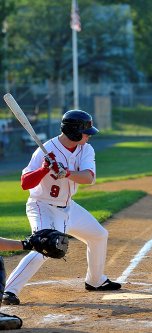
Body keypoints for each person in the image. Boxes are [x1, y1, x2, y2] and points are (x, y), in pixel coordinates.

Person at [2, 110, 121, 306]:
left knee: (98, 235)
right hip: (43, 206)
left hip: (69, 207)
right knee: (44, 246)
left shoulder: (86, 149)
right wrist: (44, 170)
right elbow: (25, 183)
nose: (89, 135)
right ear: (73, 131)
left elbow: (88, 178)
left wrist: (65, 172)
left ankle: (95, 280)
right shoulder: (46, 149)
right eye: (86, 132)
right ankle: (9, 290)